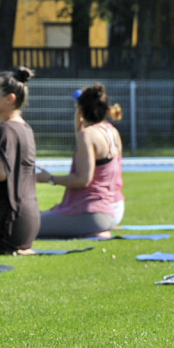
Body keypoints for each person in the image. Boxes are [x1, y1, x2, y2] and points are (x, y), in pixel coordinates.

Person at [36, 84, 125, 238]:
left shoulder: (88, 135)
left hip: (91, 212)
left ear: (81, 110)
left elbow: (83, 179)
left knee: (25, 225)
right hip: (108, 211)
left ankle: (94, 229)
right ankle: (96, 230)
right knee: (44, 216)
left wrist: (49, 179)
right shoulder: (112, 131)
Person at [0, 67, 39, 254]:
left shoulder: (5, 130)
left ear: (10, 99)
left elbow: (0, 172)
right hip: (25, 223)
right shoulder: (25, 128)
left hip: (8, 226)